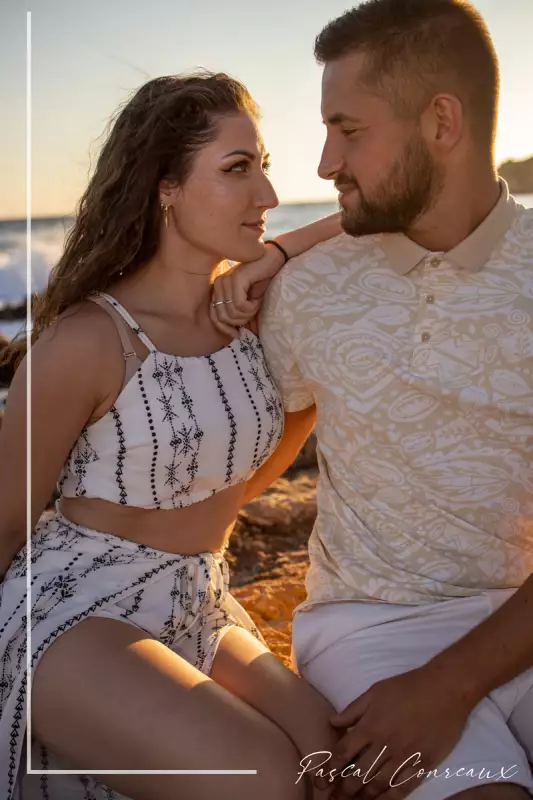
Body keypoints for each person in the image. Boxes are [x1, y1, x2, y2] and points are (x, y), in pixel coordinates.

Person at [211, 2, 533, 799]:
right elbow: (249, 469)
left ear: (441, 122)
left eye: (347, 130)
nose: (325, 163)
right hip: (369, 628)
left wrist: (447, 687)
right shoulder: (308, 290)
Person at [0, 71, 344, 800]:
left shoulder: (249, 315)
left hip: (199, 600)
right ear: (165, 186)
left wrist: (279, 255)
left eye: (265, 168)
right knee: (267, 779)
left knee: (332, 756)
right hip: (74, 612)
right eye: (236, 170)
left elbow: (378, 211)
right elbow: (4, 519)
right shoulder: (88, 340)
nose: (268, 198)